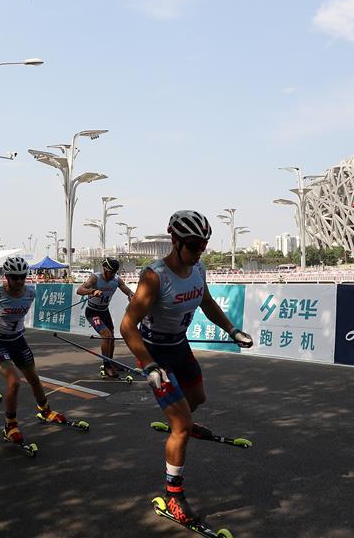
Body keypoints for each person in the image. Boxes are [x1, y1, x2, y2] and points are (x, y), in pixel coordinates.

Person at [120, 210, 253, 525]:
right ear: (175, 241)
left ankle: (180, 424)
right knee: (181, 425)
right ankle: (173, 497)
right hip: (156, 353)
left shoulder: (198, 269)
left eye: (203, 246)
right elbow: (127, 326)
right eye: (193, 245)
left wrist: (232, 330)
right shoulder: (154, 277)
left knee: (198, 399)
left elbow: (206, 302)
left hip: (179, 346)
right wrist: (148, 364)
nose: (198, 252)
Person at [0, 256, 68, 445]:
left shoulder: (30, 293)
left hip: (18, 341)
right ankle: (10, 425)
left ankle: (46, 411)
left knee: (33, 378)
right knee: (14, 382)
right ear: (7, 276)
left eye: (22, 277)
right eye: (15, 277)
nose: (19, 281)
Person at [77, 256, 134, 378]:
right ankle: (106, 365)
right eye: (110, 272)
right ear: (104, 269)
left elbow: (125, 289)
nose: (113, 275)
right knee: (106, 335)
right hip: (92, 312)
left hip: (104, 311)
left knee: (111, 337)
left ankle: (111, 362)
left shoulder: (116, 279)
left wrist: (131, 294)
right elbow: (80, 290)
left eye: (114, 272)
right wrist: (92, 291)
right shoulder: (95, 277)